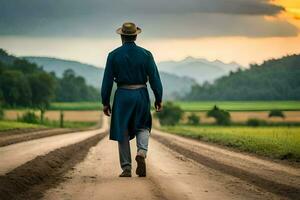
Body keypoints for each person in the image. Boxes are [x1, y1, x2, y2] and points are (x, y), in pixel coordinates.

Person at [101, 22, 163, 177]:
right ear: (136, 35)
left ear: (122, 36)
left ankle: (126, 168)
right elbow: (155, 78)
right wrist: (158, 97)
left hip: (122, 95)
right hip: (141, 94)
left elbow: (107, 81)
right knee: (143, 126)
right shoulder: (146, 54)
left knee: (122, 130)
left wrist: (105, 102)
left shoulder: (113, 55)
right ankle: (141, 152)